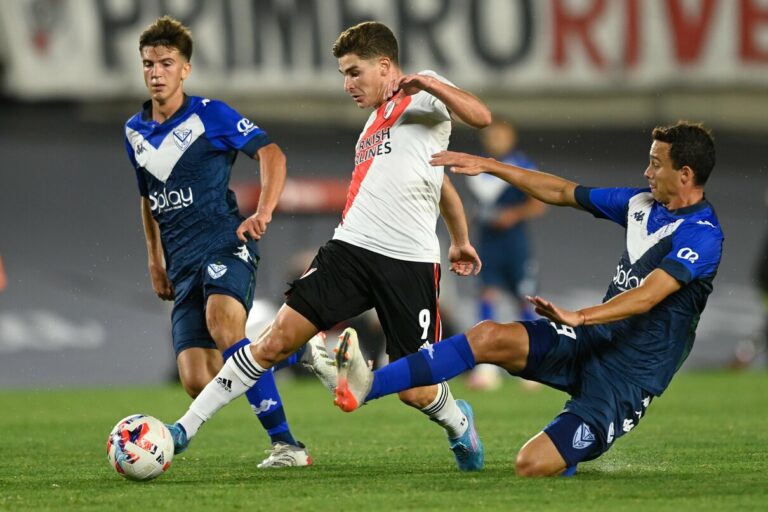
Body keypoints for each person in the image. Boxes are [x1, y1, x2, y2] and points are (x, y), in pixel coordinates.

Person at [165, 21, 491, 471]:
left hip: (410, 262)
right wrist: (459, 238)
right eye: (343, 74)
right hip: (350, 250)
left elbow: (482, 116)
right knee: (273, 340)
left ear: (384, 65)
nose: (347, 85)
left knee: (416, 389)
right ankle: (181, 431)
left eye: (354, 72)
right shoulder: (370, 130)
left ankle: (459, 423)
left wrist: (429, 81)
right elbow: (439, 186)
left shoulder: (425, 95)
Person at [333, 121, 723, 477]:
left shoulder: (703, 235)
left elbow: (649, 295)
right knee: (487, 335)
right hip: (588, 341)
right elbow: (560, 190)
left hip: (627, 376)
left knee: (531, 464)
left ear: (685, 174)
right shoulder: (639, 205)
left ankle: (565, 454)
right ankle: (366, 387)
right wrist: (492, 166)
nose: (647, 172)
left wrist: (582, 316)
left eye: (656, 164)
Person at [121, 16, 335, 470]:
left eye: (166, 63)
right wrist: (154, 259)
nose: (156, 72)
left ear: (186, 69)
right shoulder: (133, 132)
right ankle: (295, 350)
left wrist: (264, 211)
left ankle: (287, 446)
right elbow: (148, 198)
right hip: (179, 264)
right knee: (199, 379)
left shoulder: (211, 114)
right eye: (148, 64)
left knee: (225, 328)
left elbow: (272, 153)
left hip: (224, 244)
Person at [465, 119, 546, 391]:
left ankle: (533, 365)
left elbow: (538, 203)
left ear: (511, 137)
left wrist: (513, 215)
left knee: (524, 299)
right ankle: (486, 368)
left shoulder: (522, 166)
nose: (495, 140)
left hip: (515, 244)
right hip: (487, 244)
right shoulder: (478, 168)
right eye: (491, 136)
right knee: (486, 296)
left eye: (500, 136)